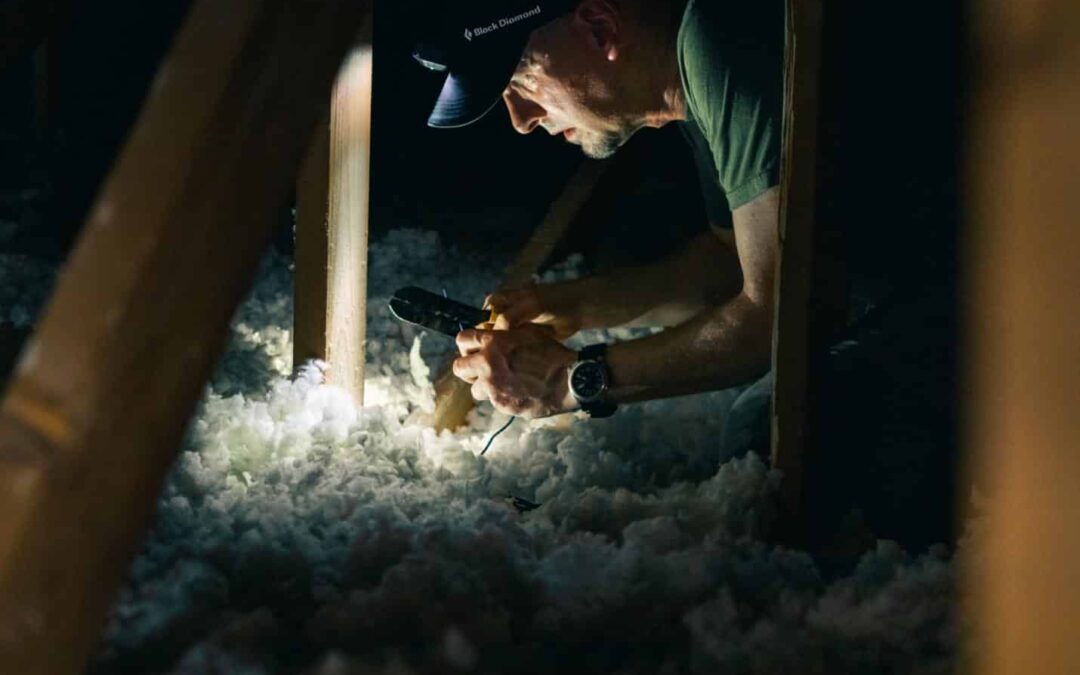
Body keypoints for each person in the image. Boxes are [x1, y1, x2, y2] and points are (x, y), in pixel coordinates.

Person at [414, 0, 783, 454]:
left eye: (522, 80)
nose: (521, 120)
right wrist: (579, 304)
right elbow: (733, 263)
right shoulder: (692, 76)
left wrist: (570, 381)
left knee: (758, 435)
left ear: (600, 29)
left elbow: (779, 317)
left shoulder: (719, 43)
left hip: (890, 307)